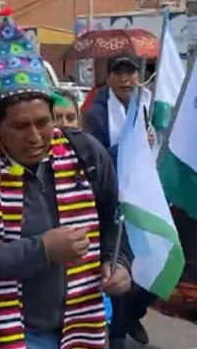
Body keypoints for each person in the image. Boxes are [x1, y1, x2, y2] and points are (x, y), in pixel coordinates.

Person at [0, 6, 131, 349]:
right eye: (20, 126)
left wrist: (117, 263)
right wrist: (40, 250)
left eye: (43, 123)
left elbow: (115, 220)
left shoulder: (86, 154)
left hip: (85, 320)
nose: (35, 137)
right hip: (11, 330)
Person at [81, 54, 156, 348]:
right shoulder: (96, 113)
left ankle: (132, 313)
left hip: (139, 195)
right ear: (109, 77)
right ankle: (116, 335)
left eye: (132, 73)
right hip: (110, 202)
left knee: (154, 258)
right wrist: (129, 145)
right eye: (120, 73)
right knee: (117, 268)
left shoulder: (140, 104)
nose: (127, 79)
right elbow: (94, 161)